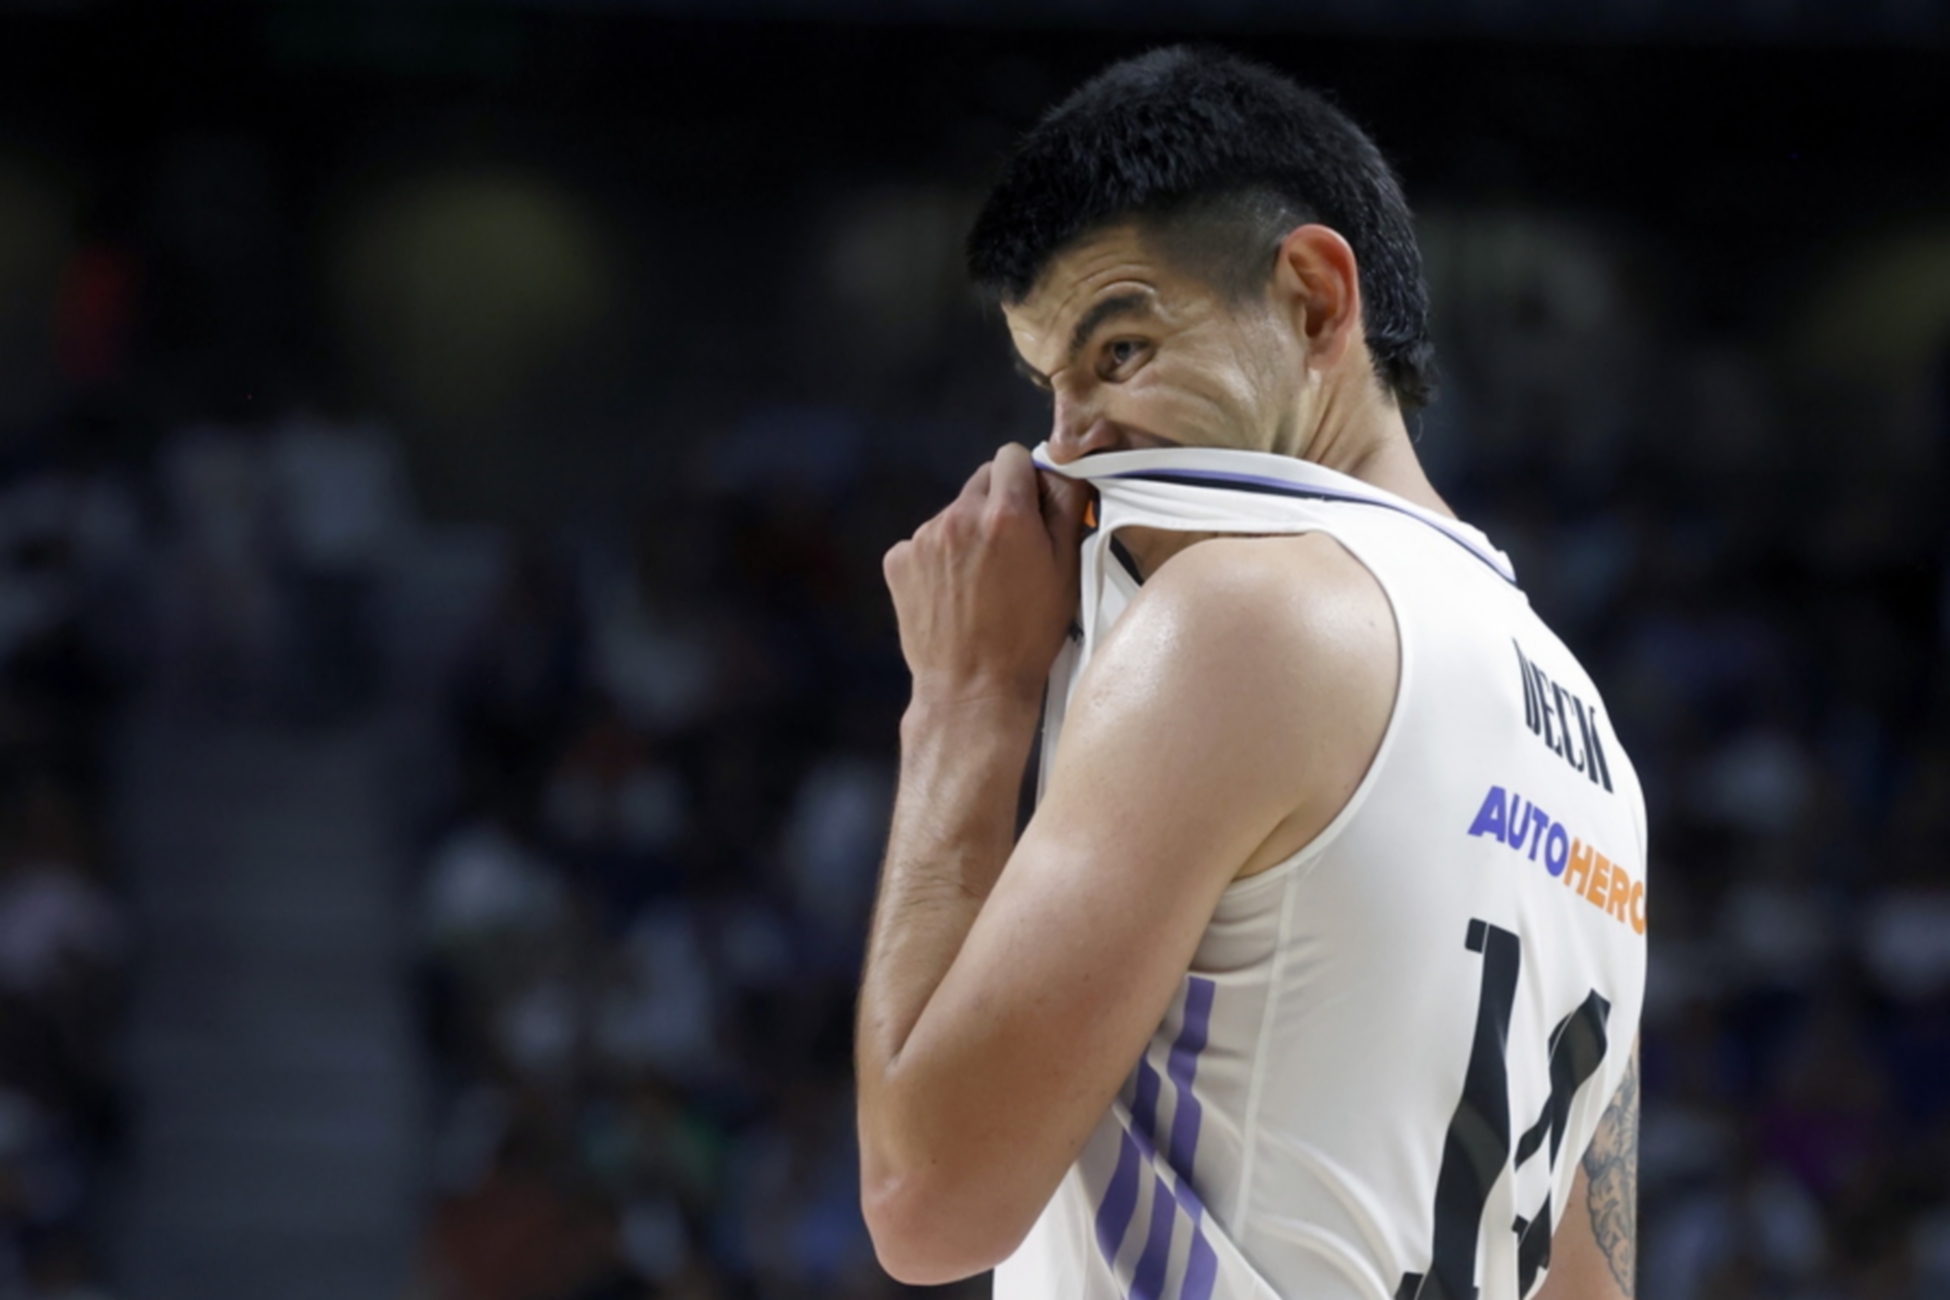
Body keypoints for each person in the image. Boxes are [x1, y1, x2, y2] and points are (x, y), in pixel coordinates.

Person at [855, 46, 1646, 1300]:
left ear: (1317, 302)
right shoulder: (1595, 740)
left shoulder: (1243, 615)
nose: (1069, 445)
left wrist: (963, 700)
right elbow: (1593, 1278)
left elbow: (926, 1202)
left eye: (1118, 351)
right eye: (1048, 386)